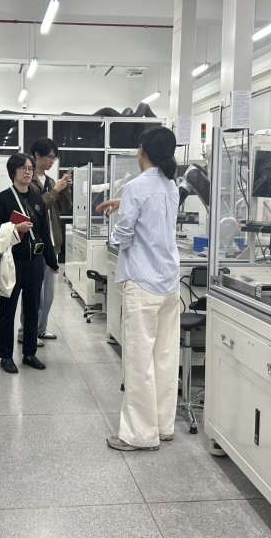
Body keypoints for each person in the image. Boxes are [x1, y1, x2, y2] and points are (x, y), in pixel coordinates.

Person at [96, 127, 180, 451]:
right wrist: (126, 202)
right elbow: (153, 210)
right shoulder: (171, 185)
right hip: (169, 284)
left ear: (141, 149)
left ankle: (139, 434)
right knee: (165, 357)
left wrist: (115, 234)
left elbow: (124, 234)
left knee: (138, 360)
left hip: (143, 284)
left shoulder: (136, 186)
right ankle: (163, 425)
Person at [0, 153, 59, 373]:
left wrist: (52, 261)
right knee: (7, 309)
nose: (27, 172)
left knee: (32, 309)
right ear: (13, 172)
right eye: (23, 168)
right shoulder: (3, 199)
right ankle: (6, 356)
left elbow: (44, 233)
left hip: (34, 262)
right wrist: (13, 228)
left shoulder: (37, 199)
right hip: (12, 262)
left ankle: (29, 353)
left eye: (30, 168)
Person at [16, 138, 72, 347]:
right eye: (49, 156)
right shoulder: (28, 182)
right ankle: (25, 332)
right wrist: (56, 189)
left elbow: (63, 207)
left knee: (48, 294)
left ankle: (40, 328)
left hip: (51, 244)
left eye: (54, 158)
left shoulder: (49, 181)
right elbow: (37, 208)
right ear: (37, 155)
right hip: (34, 245)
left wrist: (64, 188)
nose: (52, 161)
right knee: (33, 294)